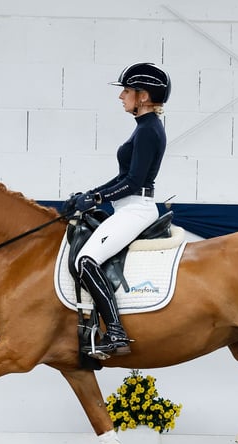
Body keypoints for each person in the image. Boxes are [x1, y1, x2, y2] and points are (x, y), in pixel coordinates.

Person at [62, 62, 171, 358]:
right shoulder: (143, 128)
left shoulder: (149, 130)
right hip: (127, 207)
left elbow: (134, 182)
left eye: (126, 91)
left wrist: (97, 198)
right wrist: (91, 194)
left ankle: (116, 332)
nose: (121, 96)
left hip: (136, 209)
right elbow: (123, 178)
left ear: (143, 96)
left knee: (86, 261)